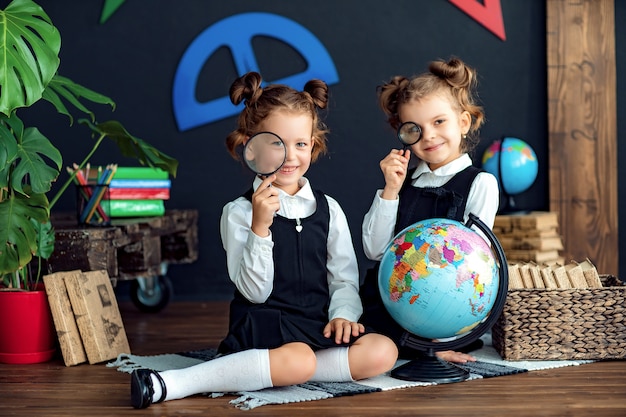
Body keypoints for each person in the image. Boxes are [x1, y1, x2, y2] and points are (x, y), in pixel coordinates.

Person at [130, 72, 398, 409]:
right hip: (265, 322)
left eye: (300, 143)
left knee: (383, 352)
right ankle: (177, 382)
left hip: (315, 323)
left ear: (313, 146)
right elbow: (254, 291)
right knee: (299, 358)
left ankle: (272, 372)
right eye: (275, 142)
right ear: (250, 146)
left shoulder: (329, 209)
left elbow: (343, 276)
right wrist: (261, 226)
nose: (289, 155)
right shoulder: (239, 212)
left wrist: (343, 314)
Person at [360, 57, 500, 363]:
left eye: (439, 122)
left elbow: (474, 264)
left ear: (463, 123)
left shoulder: (480, 183)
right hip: (394, 303)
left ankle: (431, 346)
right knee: (361, 338)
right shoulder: (403, 182)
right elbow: (373, 251)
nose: (429, 136)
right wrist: (390, 191)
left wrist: (444, 326)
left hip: (447, 305)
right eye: (415, 129)